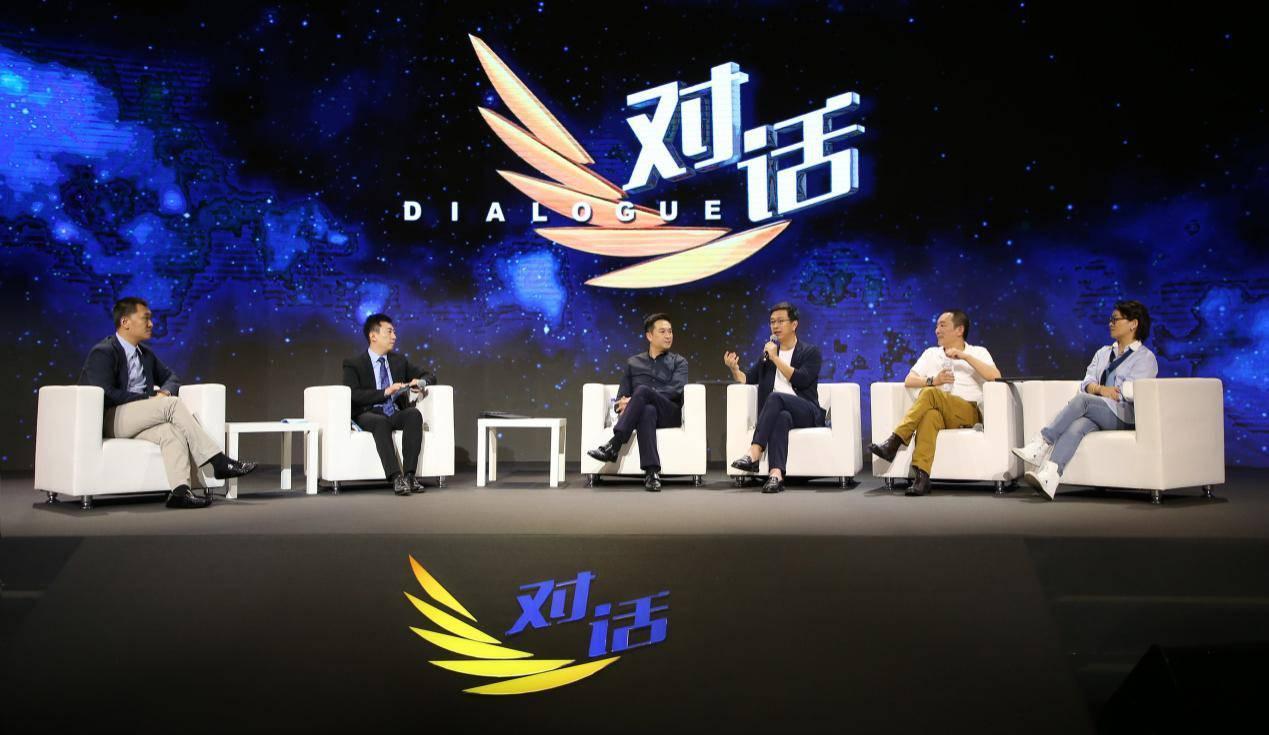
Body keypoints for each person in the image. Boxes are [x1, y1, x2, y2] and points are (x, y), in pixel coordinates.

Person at [78, 297, 257, 509]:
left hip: (137, 418)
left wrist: (163, 393)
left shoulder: (145, 354)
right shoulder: (104, 351)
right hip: (111, 418)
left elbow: (172, 378)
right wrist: (150, 400)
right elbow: (105, 392)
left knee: (170, 432)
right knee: (171, 404)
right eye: (145, 318)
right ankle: (218, 461)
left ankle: (180, 492)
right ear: (125, 322)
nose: (151, 324)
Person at [1013, 300, 1158, 500]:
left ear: (1133, 324)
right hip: (1100, 410)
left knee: (1083, 400)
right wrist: (1100, 389)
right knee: (1078, 425)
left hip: (1124, 415)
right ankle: (1051, 475)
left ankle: (1042, 443)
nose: (1111, 323)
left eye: (1116, 319)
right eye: (1111, 319)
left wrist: (1104, 391)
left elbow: (1131, 391)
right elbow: (1087, 382)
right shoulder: (1103, 353)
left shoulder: (1145, 358)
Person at [869, 310, 1000, 496]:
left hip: (967, 411)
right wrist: (933, 380)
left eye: (942, 325)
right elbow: (909, 380)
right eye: (937, 326)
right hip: (940, 410)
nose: (937, 330)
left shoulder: (978, 352)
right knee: (929, 415)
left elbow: (995, 376)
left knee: (930, 393)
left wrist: (965, 357)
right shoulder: (931, 354)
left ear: (959, 330)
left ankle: (895, 441)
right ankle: (922, 478)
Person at [724, 301, 825, 494]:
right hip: (782, 412)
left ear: (794, 324)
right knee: (781, 417)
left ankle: (754, 452)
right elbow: (748, 379)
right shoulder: (767, 356)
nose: (775, 326)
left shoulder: (810, 352)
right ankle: (776, 475)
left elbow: (802, 379)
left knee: (775, 397)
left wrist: (776, 358)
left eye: (780, 321)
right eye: (772, 322)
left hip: (807, 411)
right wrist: (735, 369)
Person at [586, 313, 688, 492]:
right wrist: (624, 404)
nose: (668, 336)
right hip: (644, 413)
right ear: (649, 336)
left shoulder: (679, 362)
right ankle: (651, 473)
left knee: (642, 391)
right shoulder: (633, 363)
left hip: (669, 412)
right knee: (647, 411)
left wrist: (637, 398)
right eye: (663, 331)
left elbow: (675, 390)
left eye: (670, 331)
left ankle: (614, 444)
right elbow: (620, 400)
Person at [343, 314, 437, 496]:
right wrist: (385, 392)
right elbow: (353, 394)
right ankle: (396, 477)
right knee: (380, 422)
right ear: (373, 336)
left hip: (393, 412)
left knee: (413, 415)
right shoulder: (353, 364)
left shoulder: (399, 361)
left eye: (394, 332)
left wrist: (420, 382)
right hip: (368, 413)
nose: (394, 336)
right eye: (389, 332)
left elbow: (429, 375)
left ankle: (410, 476)